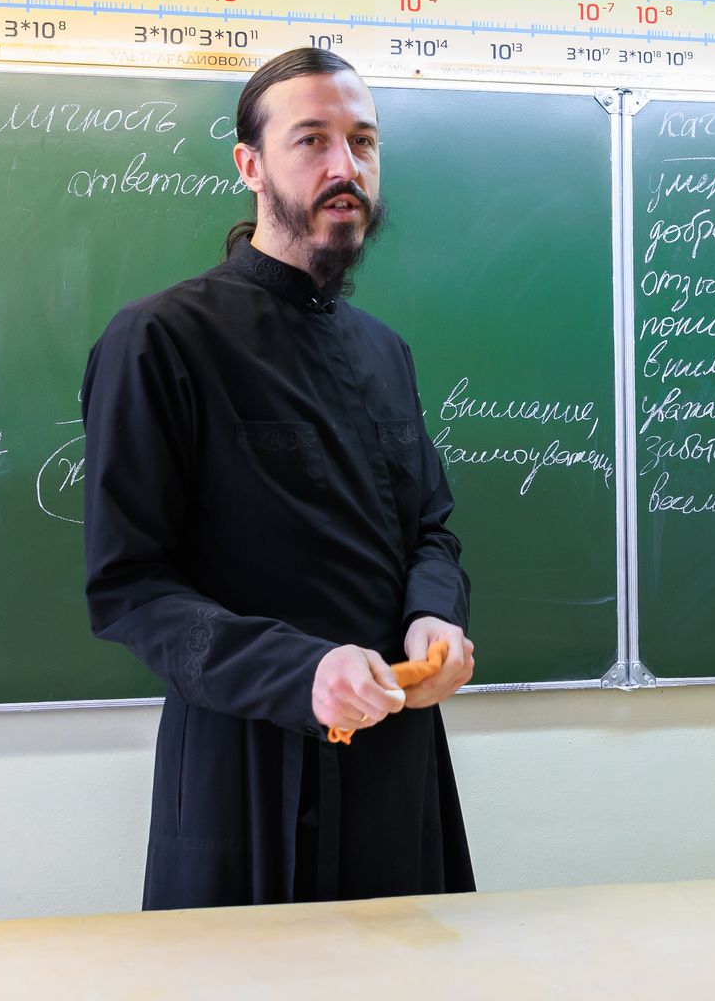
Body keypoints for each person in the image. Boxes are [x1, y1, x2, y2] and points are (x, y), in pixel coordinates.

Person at [80, 47, 477, 909]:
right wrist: (302, 673)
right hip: (246, 776)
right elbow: (129, 588)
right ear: (250, 165)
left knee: (414, 967)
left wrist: (434, 615)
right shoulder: (160, 341)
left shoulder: (384, 351)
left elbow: (430, 531)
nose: (346, 167)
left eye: (363, 142)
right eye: (312, 140)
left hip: (396, 766)